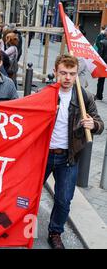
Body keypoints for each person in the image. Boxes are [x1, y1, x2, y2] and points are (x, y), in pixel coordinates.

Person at [44, 54, 104, 249]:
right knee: (29, 193)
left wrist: (92, 124)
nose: (68, 78)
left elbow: (101, 124)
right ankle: (22, 224)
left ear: (77, 74)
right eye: (63, 73)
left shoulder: (84, 97)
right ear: (55, 72)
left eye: (72, 73)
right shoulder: (46, 93)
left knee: (64, 199)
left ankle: (55, 232)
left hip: (69, 157)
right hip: (43, 155)